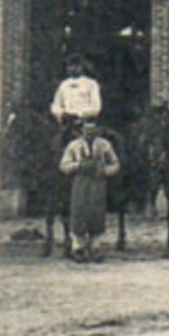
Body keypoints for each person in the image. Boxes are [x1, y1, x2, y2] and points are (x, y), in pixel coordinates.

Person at [58, 117, 120, 262]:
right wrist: (78, 166)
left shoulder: (104, 145)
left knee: (96, 213)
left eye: (92, 130)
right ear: (81, 131)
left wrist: (105, 171)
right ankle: (78, 248)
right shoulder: (73, 146)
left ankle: (95, 247)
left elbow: (116, 163)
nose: (89, 133)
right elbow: (63, 165)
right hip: (80, 183)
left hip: (98, 183)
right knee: (79, 212)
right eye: (86, 130)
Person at [50, 55, 103, 147]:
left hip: (84, 123)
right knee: (55, 144)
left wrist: (79, 114)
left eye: (75, 66)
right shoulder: (64, 84)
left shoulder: (91, 84)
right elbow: (56, 105)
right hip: (66, 123)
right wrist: (61, 113)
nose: (72, 69)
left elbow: (96, 107)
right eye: (69, 66)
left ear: (81, 67)